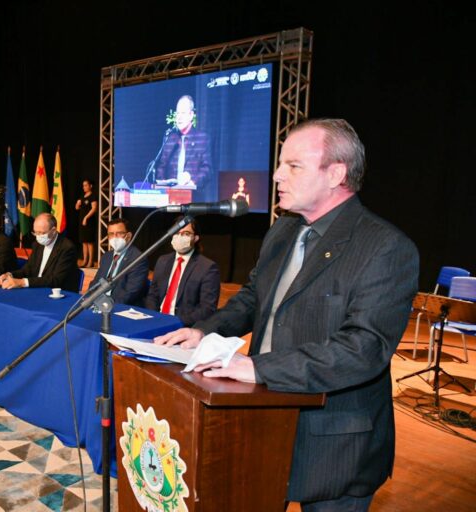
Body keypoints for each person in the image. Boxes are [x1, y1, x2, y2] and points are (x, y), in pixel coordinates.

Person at [154, 119, 419, 510]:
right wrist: (204, 331)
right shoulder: (283, 231)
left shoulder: (385, 247)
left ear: (336, 174)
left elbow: (363, 349)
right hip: (263, 423)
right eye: (281, 164)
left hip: (335, 444)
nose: (277, 174)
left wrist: (259, 369)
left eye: (293, 165)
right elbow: (253, 298)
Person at [145, 217, 220, 326]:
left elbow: (207, 309)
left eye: (186, 233)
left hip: (183, 325)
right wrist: (153, 317)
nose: (180, 237)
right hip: (156, 321)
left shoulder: (207, 267)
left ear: (195, 238)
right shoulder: (163, 261)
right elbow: (153, 295)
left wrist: (175, 322)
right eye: (177, 232)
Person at [0, 213, 78, 292]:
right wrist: (10, 275)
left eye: (42, 233)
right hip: (36, 289)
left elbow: (55, 280)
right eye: (35, 233)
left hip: (59, 294)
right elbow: (27, 270)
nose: (38, 237)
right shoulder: (37, 245)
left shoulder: (67, 248)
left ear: (53, 230)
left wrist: (22, 282)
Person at [154, 95, 212, 191]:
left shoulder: (202, 139)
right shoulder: (170, 139)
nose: (179, 117)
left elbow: (207, 170)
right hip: (170, 196)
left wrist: (193, 181)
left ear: (191, 115)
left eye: (183, 113)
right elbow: (161, 167)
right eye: (178, 113)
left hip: (193, 197)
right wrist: (163, 184)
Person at [90, 218, 148, 306]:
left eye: (119, 233)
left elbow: (130, 293)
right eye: (111, 234)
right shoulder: (106, 256)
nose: (114, 237)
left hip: (120, 307)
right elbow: (95, 283)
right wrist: (91, 300)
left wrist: (106, 305)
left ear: (128, 236)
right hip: (100, 305)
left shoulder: (138, 258)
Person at [75, 179, 98, 267]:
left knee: (89, 242)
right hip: (82, 222)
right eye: (83, 185)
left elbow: (94, 208)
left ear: (90, 186)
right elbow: (77, 208)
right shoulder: (83, 196)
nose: (84, 187)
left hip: (89, 221)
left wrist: (86, 218)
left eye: (86, 185)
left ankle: (90, 261)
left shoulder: (93, 196)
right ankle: (85, 260)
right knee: (84, 242)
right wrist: (77, 204)